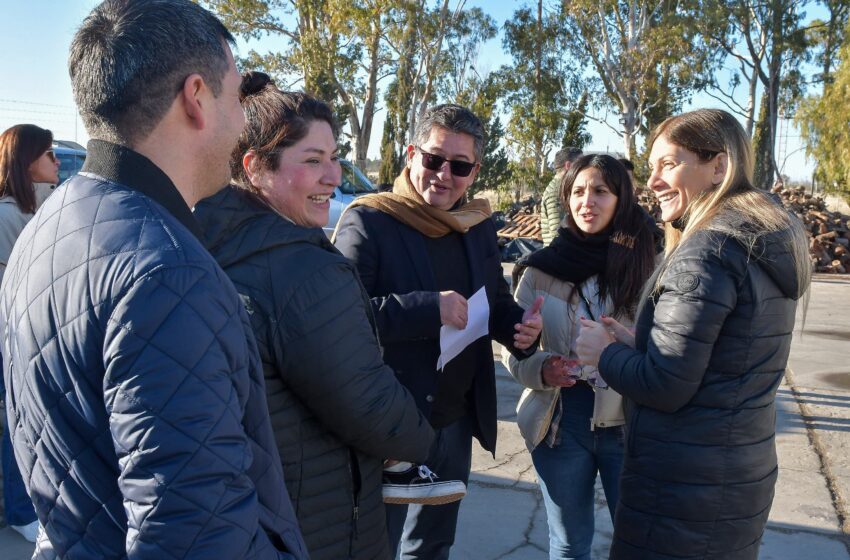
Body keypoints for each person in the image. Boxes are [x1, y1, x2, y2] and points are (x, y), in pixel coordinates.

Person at [0, 1, 307, 558]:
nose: (241, 121)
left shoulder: (48, 223)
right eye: (236, 96)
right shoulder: (165, 274)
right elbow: (196, 538)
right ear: (196, 98)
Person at [194, 72, 451, 560]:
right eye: (312, 161)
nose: (332, 177)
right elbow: (368, 404)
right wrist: (425, 444)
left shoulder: (205, 239)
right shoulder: (303, 271)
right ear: (255, 168)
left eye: (333, 158)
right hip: (318, 519)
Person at [576, 108, 811, 560]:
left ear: (718, 167)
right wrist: (637, 344)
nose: (654, 181)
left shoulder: (707, 251)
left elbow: (666, 385)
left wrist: (604, 353)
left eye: (669, 164)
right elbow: (721, 360)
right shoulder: (756, 241)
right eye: (650, 168)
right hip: (733, 478)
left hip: (683, 490)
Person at [334, 103, 544, 559]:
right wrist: (430, 308)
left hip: (452, 417)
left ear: (474, 171)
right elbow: (343, 317)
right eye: (433, 159)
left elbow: (495, 304)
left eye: (460, 166)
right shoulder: (369, 220)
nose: (444, 174)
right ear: (411, 154)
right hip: (386, 418)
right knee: (375, 544)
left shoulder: (477, 226)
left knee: (433, 544)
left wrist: (519, 331)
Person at [504, 154, 656, 560]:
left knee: (640, 543)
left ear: (621, 198)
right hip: (559, 424)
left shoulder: (649, 265)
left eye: (601, 191)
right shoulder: (539, 269)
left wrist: (625, 345)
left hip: (629, 423)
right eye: (578, 191)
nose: (586, 201)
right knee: (570, 545)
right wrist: (541, 366)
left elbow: (670, 347)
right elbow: (513, 355)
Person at [0, 124, 59, 543]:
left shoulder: (40, 207)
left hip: (27, 336)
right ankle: (22, 511)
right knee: (17, 422)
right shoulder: (12, 215)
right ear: (27, 162)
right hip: (16, 337)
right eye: (50, 154)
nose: (58, 161)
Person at [541, 147, 582, 246]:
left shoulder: (564, 188)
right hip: (559, 257)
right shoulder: (556, 192)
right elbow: (559, 233)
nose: (584, 168)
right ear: (568, 165)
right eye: (581, 164)